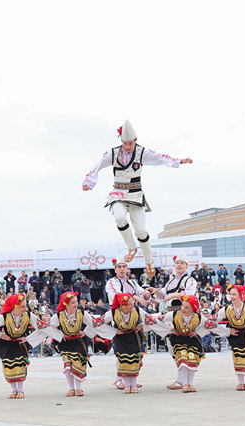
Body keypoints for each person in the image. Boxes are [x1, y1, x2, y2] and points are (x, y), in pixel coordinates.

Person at [82, 119, 193, 278]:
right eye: (125, 143)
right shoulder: (112, 154)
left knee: (141, 230)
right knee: (119, 217)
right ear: (121, 141)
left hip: (135, 194)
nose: (128, 147)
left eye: (130, 143)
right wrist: (88, 182)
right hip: (118, 194)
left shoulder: (142, 153)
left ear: (135, 140)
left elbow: (160, 158)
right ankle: (131, 248)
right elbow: (97, 166)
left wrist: (179, 161)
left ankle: (149, 261)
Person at [93, 293, 157, 394]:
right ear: (122, 305)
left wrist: (142, 325)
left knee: (134, 361)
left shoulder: (137, 310)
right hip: (121, 339)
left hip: (134, 337)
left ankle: (134, 385)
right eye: (129, 304)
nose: (132, 306)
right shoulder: (113, 312)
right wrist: (113, 331)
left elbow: (152, 320)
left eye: (132, 303)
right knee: (124, 361)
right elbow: (96, 322)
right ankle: (128, 385)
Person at [104, 257, 151, 390]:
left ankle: (132, 378)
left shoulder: (132, 282)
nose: (122, 269)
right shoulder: (111, 282)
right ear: (115, 270)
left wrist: (146, 294)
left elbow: (141, 291)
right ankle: (119, 379)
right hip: (119, 315)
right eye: (119, 267)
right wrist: (136, 297)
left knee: (135, 346)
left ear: (127, 269)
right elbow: (119, 297)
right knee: (121, 348)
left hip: (133, 314)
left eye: (124, 266)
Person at [41, 291, 98, 397]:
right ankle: (71, 388)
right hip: (65, 343)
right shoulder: (59, 315)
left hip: (78, 343)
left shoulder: (82, 313)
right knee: (67, 365)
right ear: (66, 304)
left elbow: (94, 323)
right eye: (72, 302)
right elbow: (48, 327)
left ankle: (79, 388)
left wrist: (85, 332)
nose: (76, 304)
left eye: (76, 301)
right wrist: (59, 335)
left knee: (78, 364)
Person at [155, 295, 213, 393]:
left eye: (187, 307)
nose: (183, 309)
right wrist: (169, 330)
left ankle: (189, 384)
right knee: (182, 360)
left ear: (193, 308)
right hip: (179, 340)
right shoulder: (174, 314)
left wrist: (198, 332)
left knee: (192, 360)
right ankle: (185, 384)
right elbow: (157, 320)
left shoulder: (198, 316)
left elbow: (211, 324)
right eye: (182, 306)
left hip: (192, 340)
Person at [0, 293, 41, 399]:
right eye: (22, 306)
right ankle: (13, 390)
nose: (25, 308)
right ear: (15, 306)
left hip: (20, 343)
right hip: (7, 345)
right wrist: (1, 335)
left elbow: (42, 326)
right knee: (10, 367)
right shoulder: (4, 317)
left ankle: (21, 391)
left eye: (25, 306)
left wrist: (28, 339)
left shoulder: (28, 315)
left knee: (20, 366)